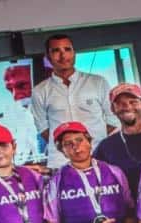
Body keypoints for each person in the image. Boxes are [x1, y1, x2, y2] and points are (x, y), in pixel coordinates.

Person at [30, 33, 118, 168]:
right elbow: (43, 129)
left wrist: (93, 140)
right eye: (56, 51)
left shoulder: (97, 82)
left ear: (74, 53)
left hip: (99, 156)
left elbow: (113, 119)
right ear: (48, 57)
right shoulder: (40, 91)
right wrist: (66, 147)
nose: (63, 55)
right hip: (60, 162)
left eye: (67, 49)